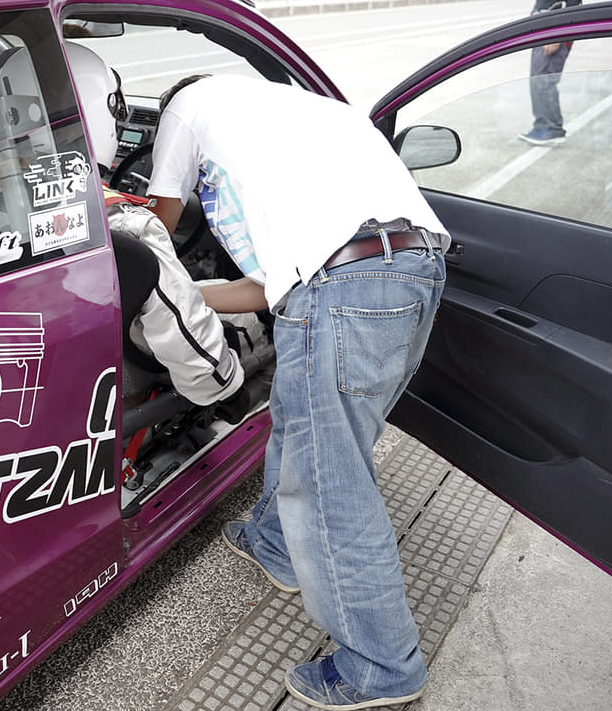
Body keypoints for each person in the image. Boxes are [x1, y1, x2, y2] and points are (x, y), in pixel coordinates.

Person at [146, 73, 450, 710]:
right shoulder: (306, 112)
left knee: (331, 481)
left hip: (344, 282)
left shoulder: (189, 106)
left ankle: (381, 667)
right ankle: (276, 543)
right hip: (411, 267)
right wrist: (187, 298)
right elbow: (275, 288)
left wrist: (150, 288)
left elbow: (153, 231)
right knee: (301, 418)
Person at [0, 43, 244, 408]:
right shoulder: (125, 224)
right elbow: (186, 338)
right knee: (232, 315)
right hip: (109, 369)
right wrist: (223, 388)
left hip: (16, 345)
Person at [519, 0, 587, 147]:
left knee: (545, 80)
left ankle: (553, 128)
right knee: (537, 79)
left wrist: (558, 34)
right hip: (541, 26)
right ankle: (541, 125)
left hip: (554, 29)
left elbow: (573, 3)